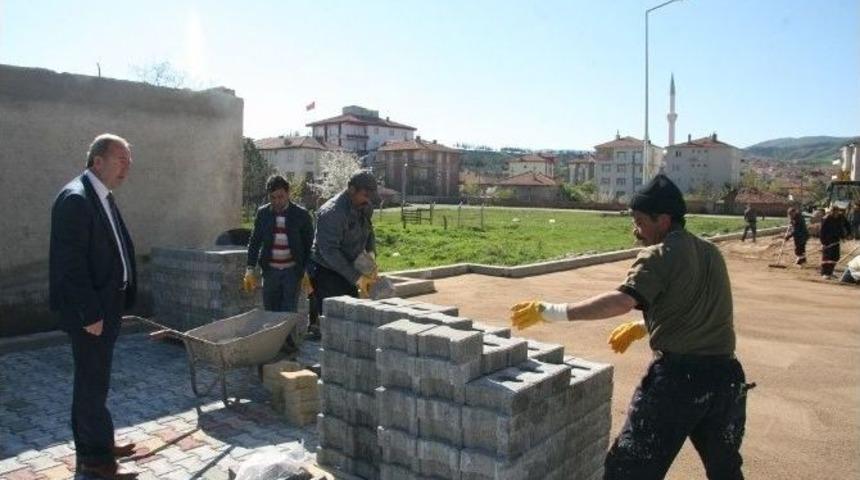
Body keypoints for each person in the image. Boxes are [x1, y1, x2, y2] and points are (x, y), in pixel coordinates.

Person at [510, 174, 748, 480]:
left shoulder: (658, 254)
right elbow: (697, 308)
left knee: (628, 471)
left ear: (663, 220)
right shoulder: (710, 252)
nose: (635, 230)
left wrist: (552, 312)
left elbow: (621, 301)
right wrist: (643, 326)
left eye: (639, 221)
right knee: (726, 471)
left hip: (679, 381)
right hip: (726, 379)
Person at [49, 134, 140, 479]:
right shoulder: (76, 198)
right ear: (97, 161)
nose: (127, 167)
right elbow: (70, 265)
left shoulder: (100, 195)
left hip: (107, 306)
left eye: (129, 161)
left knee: (94, 382)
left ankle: (96, 443)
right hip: (91, 313)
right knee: (91, 384)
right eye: (121, 160)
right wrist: (90, 313)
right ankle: (96, 461)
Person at [308, 170, 379, 336]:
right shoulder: (332, 213)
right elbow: (329, 251)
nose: (368, 200)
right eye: (365, 195)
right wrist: (357, 278)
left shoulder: (364, 206)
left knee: (351, 317)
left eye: (370, 196)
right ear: (351, 189)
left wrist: (370, 255)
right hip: (328, 272)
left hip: (350, 267)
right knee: (335, 322)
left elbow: (369, 231)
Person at [244, 175, 314, 313]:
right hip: (270, 272)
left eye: (280, 197)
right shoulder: (263, 214)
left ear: (288, 193)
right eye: (273, 197)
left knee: (288, 314)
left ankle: (288, 329)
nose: (277, 201)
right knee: (270, 313)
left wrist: (307, 270)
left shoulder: (301, 215)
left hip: (292, 272)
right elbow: (255, 242)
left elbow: (309, 246)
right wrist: (250, 268)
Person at [819, 202, 851, 279]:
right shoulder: (826, 218)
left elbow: (847, 225)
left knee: (835, 256)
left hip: (836, 239)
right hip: (827, 240)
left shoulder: (841, 217)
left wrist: (848, 234)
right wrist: (823, 243)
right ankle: (825, 273)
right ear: (831, 212)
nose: (835, 214)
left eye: (836, 212)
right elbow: (822, 231)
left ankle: (830, 272)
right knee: (827, 257)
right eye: (833, 212)